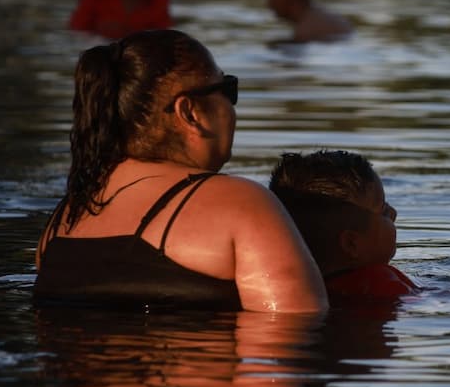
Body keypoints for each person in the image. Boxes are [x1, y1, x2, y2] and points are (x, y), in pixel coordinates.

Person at [34, 29, 327, 313]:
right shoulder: (242, 205)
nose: (232, 106)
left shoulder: (65, 218)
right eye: (227, 89)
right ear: (189, 112)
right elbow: (290, 339)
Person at [268, 150, 418, 300]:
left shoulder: (293, 286)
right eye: (384, 211)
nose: (394, 213)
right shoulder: (378, 283)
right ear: (351, 244)